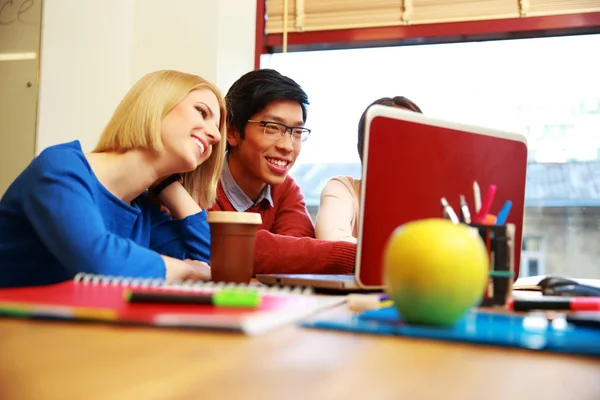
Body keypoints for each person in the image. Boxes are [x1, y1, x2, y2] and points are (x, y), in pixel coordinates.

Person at [0, 70, 227, 288]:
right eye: (202, 112)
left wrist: (170, 188)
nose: (216, 135)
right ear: (156, 106)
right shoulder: (60, 169)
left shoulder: (142, 208)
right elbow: (98, 262)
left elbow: (217, 268)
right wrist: (187, 270)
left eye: (216, 129)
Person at [209, 69, 356, 274]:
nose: (287, 146)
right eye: (272, 127)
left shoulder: (285, 189)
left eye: (297, 132)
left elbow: (296, 252)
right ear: (232, 131)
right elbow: (229, 247)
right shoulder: (200, 182)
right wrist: (357, 256)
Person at [315, 96, 423, 243]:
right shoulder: (344, 189)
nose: (404, 148)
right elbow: (333, 241)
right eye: (393, 138)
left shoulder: (432, 198)